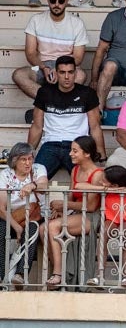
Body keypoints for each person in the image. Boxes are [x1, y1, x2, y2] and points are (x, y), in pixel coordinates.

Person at [28, 55, 104, 180]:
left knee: (86, 183)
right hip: (50, 145)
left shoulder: (87, 93)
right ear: (56, 73)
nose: (67, 77)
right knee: (33, 181)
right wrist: (28, 153)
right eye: (62, 72)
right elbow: (37, 126)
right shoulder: (45, 92)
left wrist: (102, 156)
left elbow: (95, 127)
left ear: (75, 73)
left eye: (70, 72)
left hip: (77, 146)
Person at [43, 135, 104, 290]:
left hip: (91, 217)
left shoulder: (97, 174)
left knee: (52, 227)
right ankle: (60, 268)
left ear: (87, 154)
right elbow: (71, 199)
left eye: (75, 151)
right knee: (42, 228)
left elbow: (90, 207)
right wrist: (61, 211)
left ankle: (58, 274)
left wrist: (63, 204)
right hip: (77, 214)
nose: (70, 154)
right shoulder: (75, 170)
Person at [18, 0, 88, 101]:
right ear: (47, 0)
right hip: (42, 66)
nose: (56, 4)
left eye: (61, 1)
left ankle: (56, 104)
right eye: (53, 0)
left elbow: (78, 57)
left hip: (65, 65)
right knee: (19, 75)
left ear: (66, 1)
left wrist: (59, 69)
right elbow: (30, 53)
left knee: (80, 75)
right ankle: (49, 101)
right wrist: (44, 68)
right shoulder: (36, 20)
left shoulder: (77, 23)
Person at [0, 143, 48, 290]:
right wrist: (16, 227)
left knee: (33, 229)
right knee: (0, 231)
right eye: (23, 159)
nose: (28, 163)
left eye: (30, 158)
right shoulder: (5, 175)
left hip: (32, 216)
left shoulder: (38, 168)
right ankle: (2, 276)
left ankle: (20, 274)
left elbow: (44, 184)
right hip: (10, 216)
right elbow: (1, 207)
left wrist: (31, 185)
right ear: (14, 161)